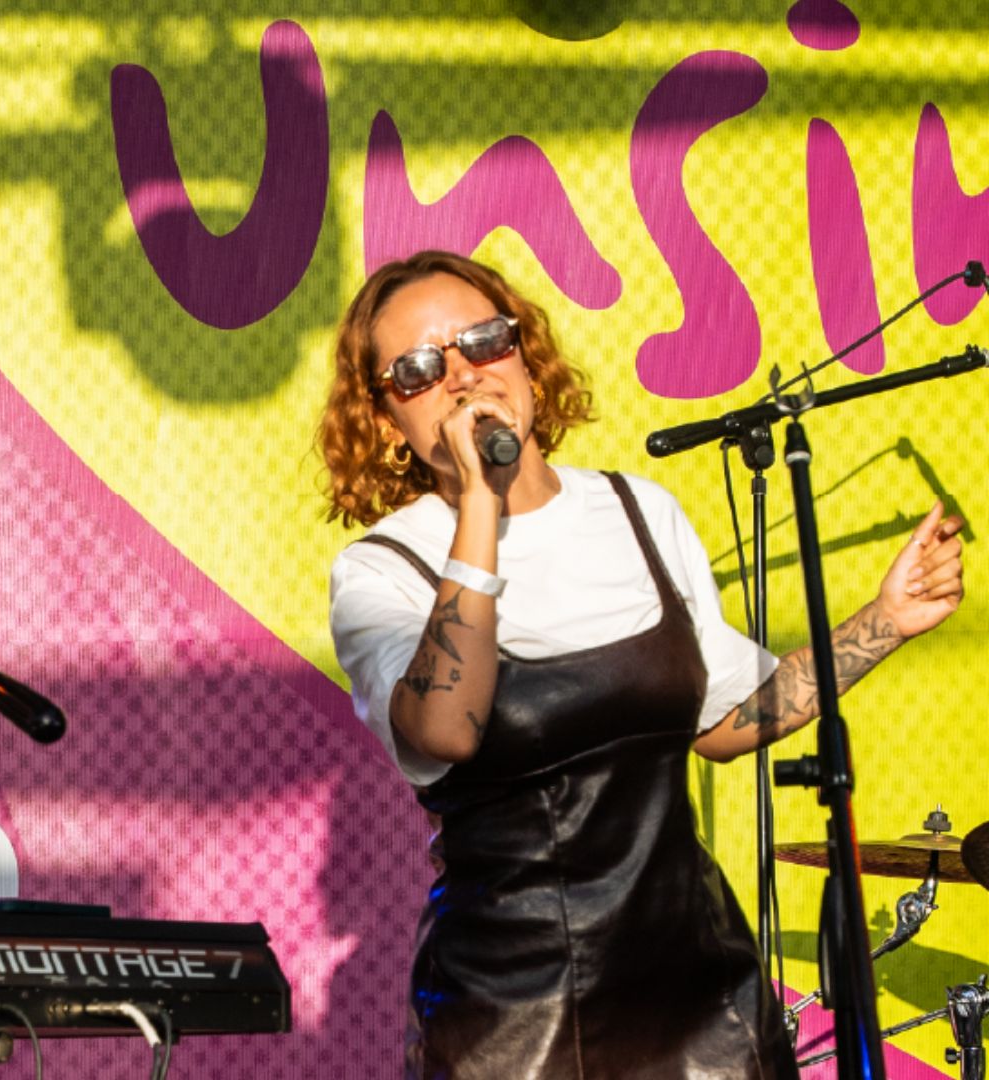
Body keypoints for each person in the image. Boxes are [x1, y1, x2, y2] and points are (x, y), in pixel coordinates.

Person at [320, 250, 965, 1079]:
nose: (462, 377)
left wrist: (884, 623)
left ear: (524, 356)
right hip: (513, 1023)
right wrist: (479, 504)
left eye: (483, 340)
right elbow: (446, 726)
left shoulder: (636, 513)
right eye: (417, 368)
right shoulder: (382, 569)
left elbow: (728, 722)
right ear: (383, 420)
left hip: (698, 999)